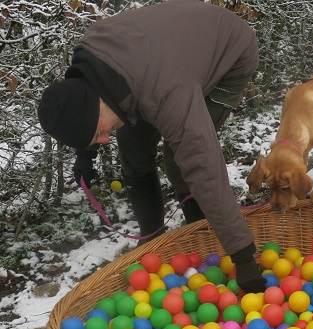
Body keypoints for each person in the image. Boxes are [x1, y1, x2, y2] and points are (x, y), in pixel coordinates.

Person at [37, 0, 266, 293]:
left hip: (229, 53)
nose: (103, 140)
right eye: (96, 137)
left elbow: (204, 166)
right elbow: (80, 107)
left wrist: (244, 257)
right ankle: (153, 239)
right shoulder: (91, 64)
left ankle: (202, 231)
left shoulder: (168, 92)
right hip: (158, 63)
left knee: (181, 158)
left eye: (98, 133)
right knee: (133, 155)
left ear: (98, 105)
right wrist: (85, 152)